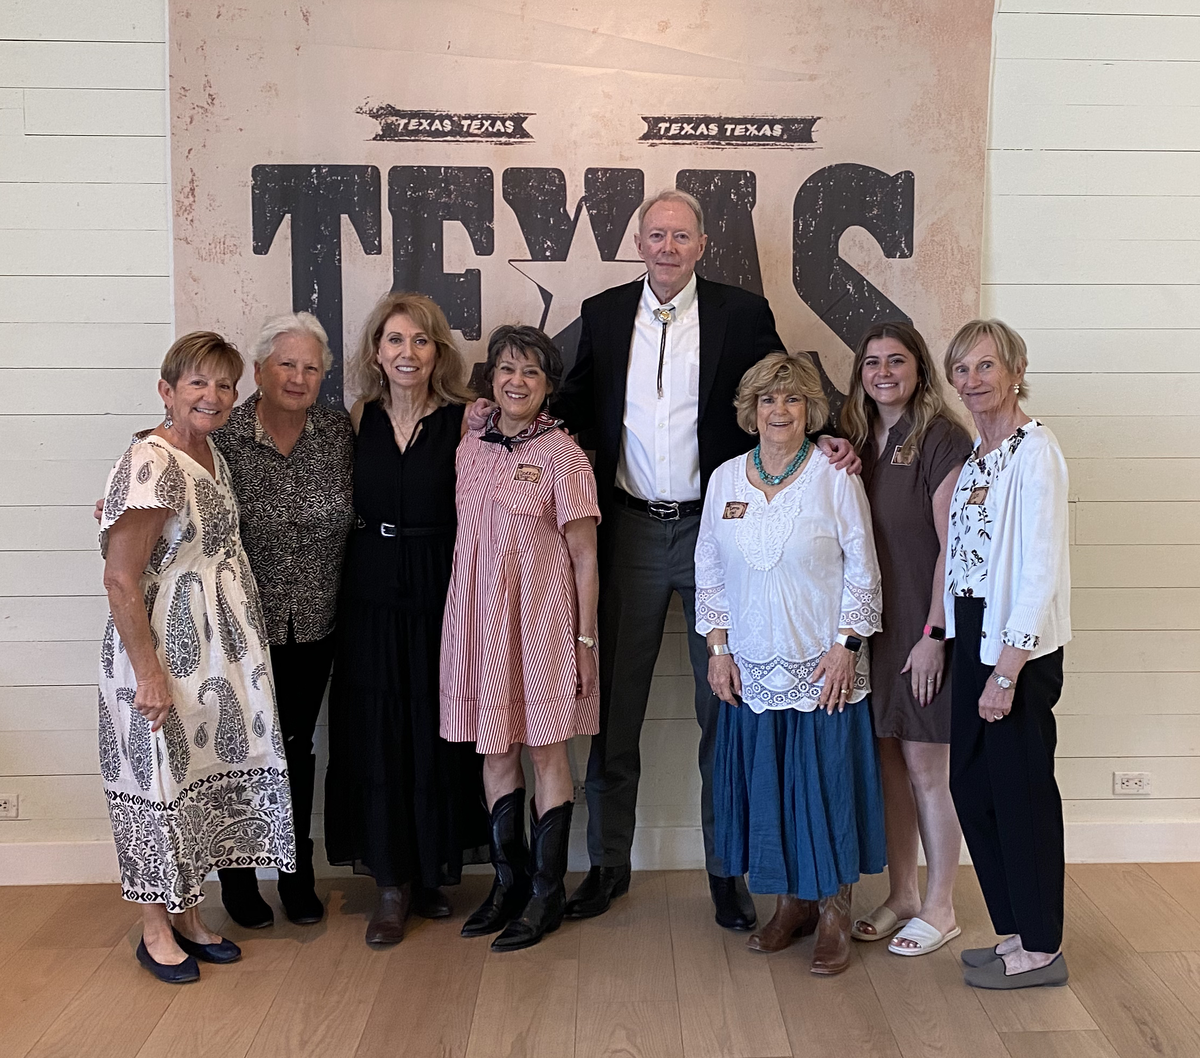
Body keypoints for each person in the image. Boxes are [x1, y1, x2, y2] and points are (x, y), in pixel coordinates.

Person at [554, 188, 859, 929]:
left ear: (700, 245)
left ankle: (728, 870)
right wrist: (493, 418)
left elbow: (785, 392)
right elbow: (568, 399)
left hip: (719, 532)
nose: (666, 246)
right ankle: (607, 864)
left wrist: (829, 434)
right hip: (625, 531)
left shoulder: (740, 313)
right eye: (654, 233)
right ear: (637, 240)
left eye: (679, 235)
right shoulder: (601, 313)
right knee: (614, 712)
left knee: (723, 703)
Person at [98, 331, 294, 983]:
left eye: (224, 384)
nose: (213, 396)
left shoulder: (207, 449)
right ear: (166, 390)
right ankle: (155, 927)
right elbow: (121, 578)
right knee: (156, 782)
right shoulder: (152, 462)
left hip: (213, 654)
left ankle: (188, 914)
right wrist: (148, 672)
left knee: (192, 784)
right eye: (197, 383)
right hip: (159, 654)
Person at [697, 351, 885, 977]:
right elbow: (710, 575)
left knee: (826, 787)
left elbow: (863, 566)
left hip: (822, 664)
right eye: (769, 400)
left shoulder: (835, 476)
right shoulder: (724, 480)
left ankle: (833, 910)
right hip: (752, 665)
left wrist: (845, 646)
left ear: (811, 411)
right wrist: (718, 650)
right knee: (770, 789)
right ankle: (790, 906)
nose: (780, 410)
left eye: (794, 399)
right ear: (751, 411)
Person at [323, 292, 487, 946]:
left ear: (438, 351)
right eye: (395, 340)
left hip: (439, 584)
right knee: (377, 730)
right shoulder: (356, 417)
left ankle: (427, 869)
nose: (407, 353)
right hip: (368, 586)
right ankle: (389, 881)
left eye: (420, 341)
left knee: (434, 727)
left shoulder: (466, 419)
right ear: (375, 351)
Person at [441, 325, 601, 952]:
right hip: (477, 623)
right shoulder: (470, 447)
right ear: (491, 378)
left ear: (548, 386)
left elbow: (585, 557)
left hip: (544, 627)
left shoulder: (566, 456)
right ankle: (507, 883)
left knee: (545, 753)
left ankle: (546, 891)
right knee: (496, 751)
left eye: (531, 372)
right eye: (506, 369)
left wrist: (586, 643)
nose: (516, 381)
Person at [210, 312, 355, 928]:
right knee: (237, 749)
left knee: (296, 746)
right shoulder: (224, 434)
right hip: (240, 627)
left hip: (316, 623)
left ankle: (297, 873)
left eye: (311, 368)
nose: (298, 377)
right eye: (286, 365)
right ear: (261, 369)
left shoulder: (337, 432)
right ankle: (239, 879)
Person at [941, 319, 1072, 989]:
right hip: (973, 634)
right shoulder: (977, 457)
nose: (973, 381)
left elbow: (1039, 567)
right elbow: (962, 559)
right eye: (962, 370)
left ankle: (1043, 947)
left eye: (986, 367)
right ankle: (1015, 928)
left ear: (1015, 368)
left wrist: (1008, 669)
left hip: (1016, 648)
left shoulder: (1035, 451)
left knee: (1020, 794)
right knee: (972, 784)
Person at [840, 321, 973, 957]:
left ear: (919, 369)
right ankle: (902, 894)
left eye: (897, 361)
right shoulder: (857, 439)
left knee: (928, 771)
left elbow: (957, 545)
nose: (884, 372)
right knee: (891, 767)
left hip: (923, 632)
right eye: (872, 363)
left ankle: (942, 906)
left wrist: (934, 634)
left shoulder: (943, 438)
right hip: (874, 632)